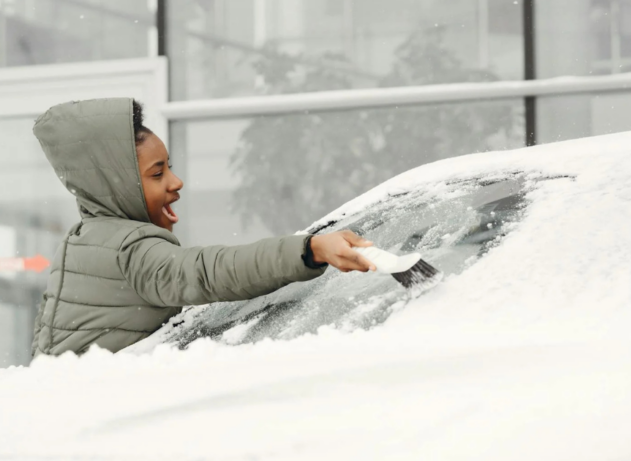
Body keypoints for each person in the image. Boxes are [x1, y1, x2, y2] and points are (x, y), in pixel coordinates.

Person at [31, 97, 376, 357]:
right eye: (157, 174)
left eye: (170, 167)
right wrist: (309, 250)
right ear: (118, 184)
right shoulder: (131, 248)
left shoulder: (80, 242)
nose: (176, 182)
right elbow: (207, 272)